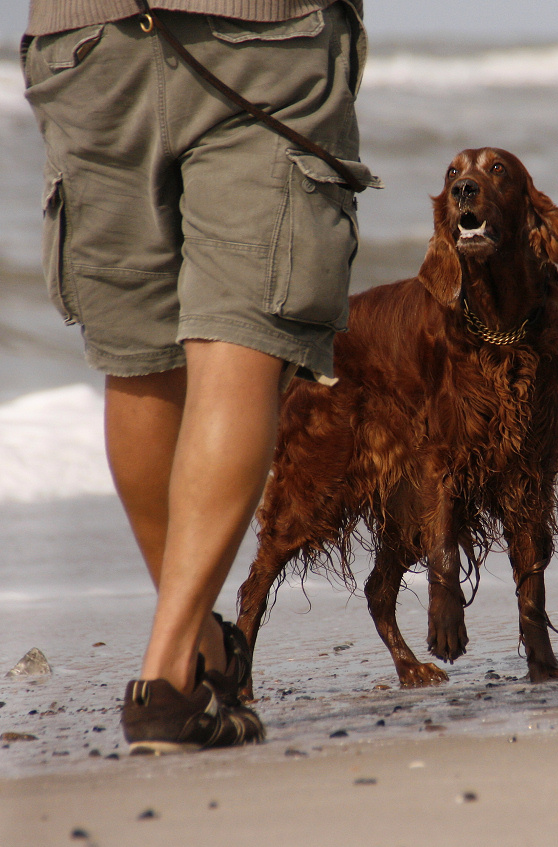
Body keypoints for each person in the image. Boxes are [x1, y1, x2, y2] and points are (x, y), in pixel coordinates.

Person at [21, 0, 377, 753]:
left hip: (88, 36)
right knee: (236, 340)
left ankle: (200, 655)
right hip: (264, 31)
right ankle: (169, 676)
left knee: (139, 355)